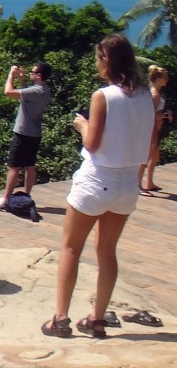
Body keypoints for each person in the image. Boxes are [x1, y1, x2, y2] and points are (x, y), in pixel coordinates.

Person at [42, 34, 157, 339]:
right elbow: (148, 142)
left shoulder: (103, 96)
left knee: (71, 247)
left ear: (106, 60)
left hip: (97, 180)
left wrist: (82, 125)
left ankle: (61, 318)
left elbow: (92, 144)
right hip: (127, 183)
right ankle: (97, 319)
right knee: (107, 251)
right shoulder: (146, 96)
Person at [0, 62, 53, 209]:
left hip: (23, 132)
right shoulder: (44, 90)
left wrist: (11, 75)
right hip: (35, 133)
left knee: (13, 167)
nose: (30, 74)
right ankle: (26, 196)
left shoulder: (36, 90)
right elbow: (26, 95)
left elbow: (8, 92)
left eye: (32, 72)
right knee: (30, 166)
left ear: (38, 75)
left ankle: (5, 199)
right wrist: (22, 80)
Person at [139, 65, 172, 195]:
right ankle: (138, 185)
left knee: (154, 156)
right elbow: (151, 115)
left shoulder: (154, 93)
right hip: (151, 129)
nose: (167, 79)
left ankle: (149, 183)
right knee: (145, 158)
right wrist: (165, 115)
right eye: (165, 77)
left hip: (155, 128)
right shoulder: (154, 94)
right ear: (158, 78)